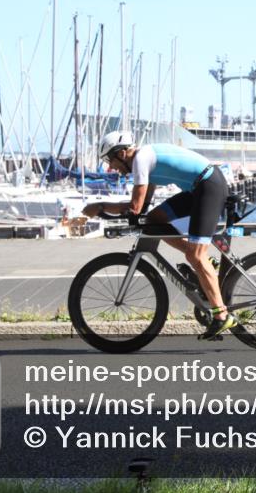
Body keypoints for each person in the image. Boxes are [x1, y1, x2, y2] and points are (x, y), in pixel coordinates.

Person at [83, 131, 235, 340]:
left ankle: (221, 315)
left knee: (195, 256)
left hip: (209, 186)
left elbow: (134, 207)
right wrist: (131, 215)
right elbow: (144, 207)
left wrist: (100, 206)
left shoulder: (140, 160)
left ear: (122, 154)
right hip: (197, 188)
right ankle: (207, 264)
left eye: (110, 160)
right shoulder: (143, 161)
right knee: (154, 222)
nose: (111, 167)